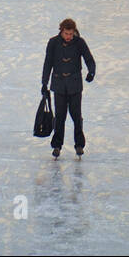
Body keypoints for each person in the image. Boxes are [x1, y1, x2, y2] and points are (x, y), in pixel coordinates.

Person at [41, 18, 96, 159]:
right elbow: (48, 63)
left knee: (76, 116)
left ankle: (79, 145)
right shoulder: (53, 43)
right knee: (60, 116)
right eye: (66, 34)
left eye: (71, 34)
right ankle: (57, 146)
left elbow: (88, 58)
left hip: (75, 85)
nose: (69, 37)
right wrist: (44, 83)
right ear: (61, 31)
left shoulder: (79, 42)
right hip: (59, 85)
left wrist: (91, 71)